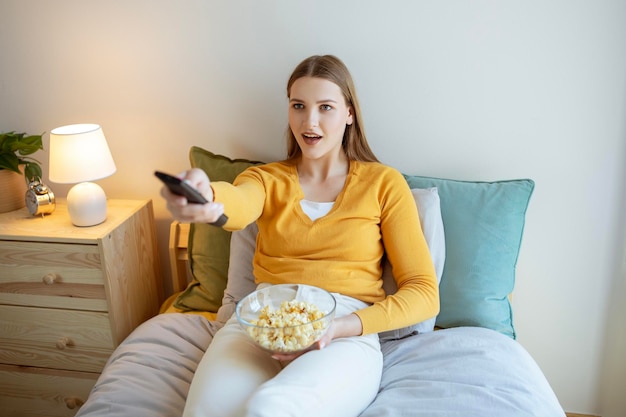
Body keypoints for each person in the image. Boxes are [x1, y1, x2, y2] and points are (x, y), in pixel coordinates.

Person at [161, 54, 439, 417]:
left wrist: (338, 328)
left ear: (350, 113)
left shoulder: (383, 183)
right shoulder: (265, 178)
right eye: (299, 106)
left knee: (271, 408)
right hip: (260, 323)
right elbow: (239, 203)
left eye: (326, 107)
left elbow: (423, 292)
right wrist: (208, 196)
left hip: (342, 332)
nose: (310, 122)